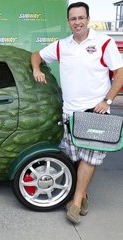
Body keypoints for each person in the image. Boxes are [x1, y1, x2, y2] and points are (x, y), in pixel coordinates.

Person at [31, 2, 123, 224]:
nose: (77, 22)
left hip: (95, 112)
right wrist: (36, 69)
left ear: (88, 19)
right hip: (70, 112)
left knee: (90, 157)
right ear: (68, 22)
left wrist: (107, 100)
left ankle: (76, 201)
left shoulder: (104, 42)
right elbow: (36, 55)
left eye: (81, 17)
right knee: (74, 158)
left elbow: (119, 73)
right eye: (73, 19)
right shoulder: (63, 45)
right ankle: (82, 192)